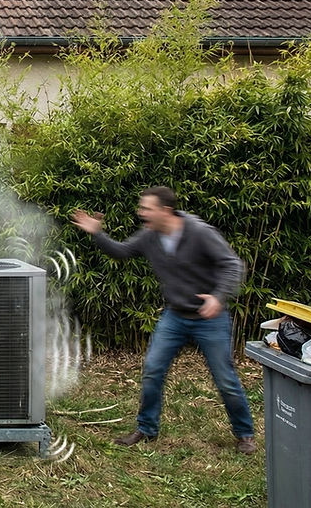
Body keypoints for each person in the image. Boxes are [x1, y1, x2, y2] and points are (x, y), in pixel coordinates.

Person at [72, 186, 256, 454]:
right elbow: (122, 252)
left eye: (146, 208)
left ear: (165, 210)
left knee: (225, 378)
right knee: (153, 370)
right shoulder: (151, 236)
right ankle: (146, 428)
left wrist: (218, 297)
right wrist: (97, 233)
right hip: (175, 315)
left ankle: (244, 434)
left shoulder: (199, 232)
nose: (141, 212)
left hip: (210, 318)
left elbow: (232, 265)